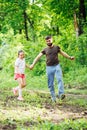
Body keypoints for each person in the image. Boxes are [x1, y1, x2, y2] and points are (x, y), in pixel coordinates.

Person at [30, 36, 74, 102]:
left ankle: (61, 94)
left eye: (49, 40)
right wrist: (33, 64)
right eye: (47, 41)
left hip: (57, 66)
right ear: (46, 42)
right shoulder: (45, 49)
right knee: (50, 83)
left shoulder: (56, 47)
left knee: (59, 79)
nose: (48, 42)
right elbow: (38, 57)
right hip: (49, 67)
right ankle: (53, 98)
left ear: (52, 40)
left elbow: (63, 53)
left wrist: (70, 57)